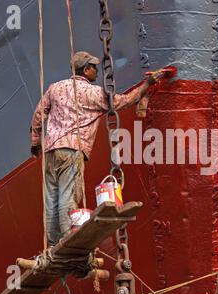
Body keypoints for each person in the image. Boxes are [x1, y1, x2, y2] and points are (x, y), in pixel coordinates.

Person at [31, 51, 166, 247]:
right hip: (73, 149)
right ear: (86, 70)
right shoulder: (93, 93)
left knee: (52, 198)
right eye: (94, 67)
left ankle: (53, 243)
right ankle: (68, 239)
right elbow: (122, 102)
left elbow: (38, 115)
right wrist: (147, 85)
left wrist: (36, 142)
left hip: (51, 150)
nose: (96, 71)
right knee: (68, 195)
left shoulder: (55, 88)